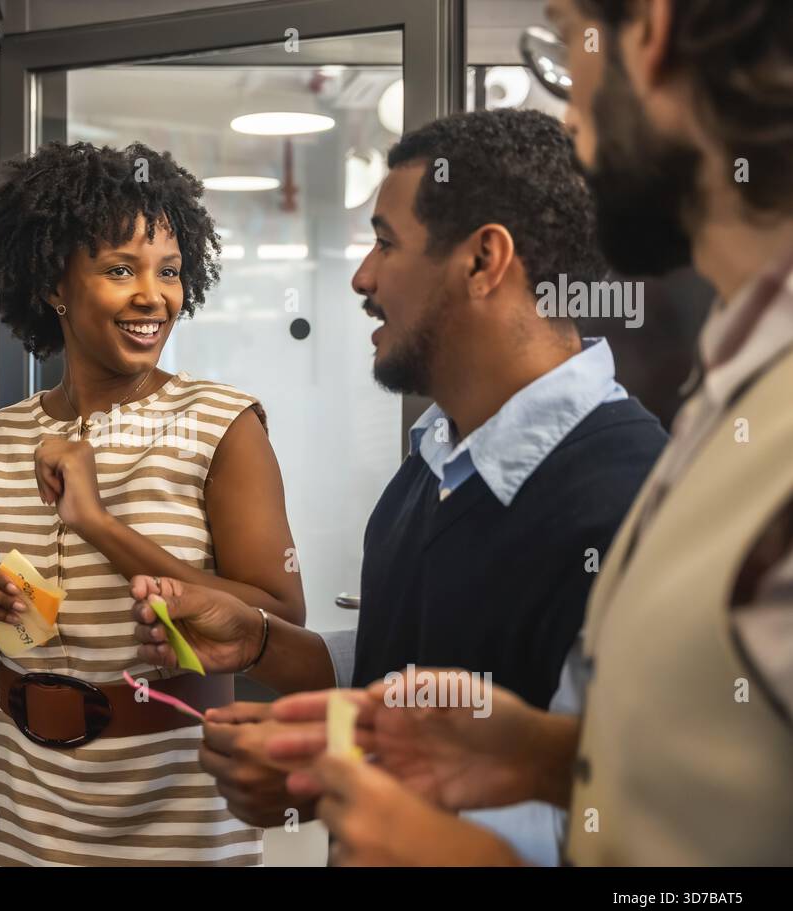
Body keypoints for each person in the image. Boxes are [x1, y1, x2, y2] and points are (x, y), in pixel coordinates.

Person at [266, 0, 793, 866]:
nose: (568, 108)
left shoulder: (646, 468)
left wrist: (474, 855)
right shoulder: (728, 397)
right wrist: (536, 756)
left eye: (563, 37)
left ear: (650, 32)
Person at [130, 108, 667, 864]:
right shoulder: (436, 459)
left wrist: (328, 779)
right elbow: (405, 661)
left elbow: (634, 834)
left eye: (385, 242)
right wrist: (257, 643)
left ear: (484, 261)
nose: (362, 277)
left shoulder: (633, 504)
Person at [0, 141, 305, 866]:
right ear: (54, 286)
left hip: (177, 800)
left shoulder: (222, 424)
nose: (153, 296)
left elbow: (280, 626)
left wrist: (99, 524)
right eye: (119, 270)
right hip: (16, 798)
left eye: (168, 272)